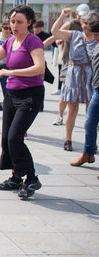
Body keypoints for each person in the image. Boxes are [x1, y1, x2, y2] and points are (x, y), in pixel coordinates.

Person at [0, 5, 45, 198]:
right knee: (6, 139)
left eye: (19, 22)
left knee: (15, 138)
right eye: (12, 22)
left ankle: (31, 178)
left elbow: (39, 68)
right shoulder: (10, 42)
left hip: (30, 95)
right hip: (11, 96)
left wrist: (10, 72)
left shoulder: (32, 41)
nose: (14, 25)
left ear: (29, 23)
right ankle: (16, 177)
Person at [51, 8, 99, 152]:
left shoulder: (97, 38)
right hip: (74, 72)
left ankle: (90, 141)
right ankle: (68, 139)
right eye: (84, 22)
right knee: (72, 108)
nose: (86, 26)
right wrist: (62, 16)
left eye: (89, 23)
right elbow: (55, 32)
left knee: (91, 111)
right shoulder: (75, 35)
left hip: (90, 74)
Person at [70, 13, 99, 166]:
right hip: (97, 90)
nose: (95, 38)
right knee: (89, 122)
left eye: (97, 35)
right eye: (94, 35)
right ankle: (88, 153)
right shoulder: (95, 45)